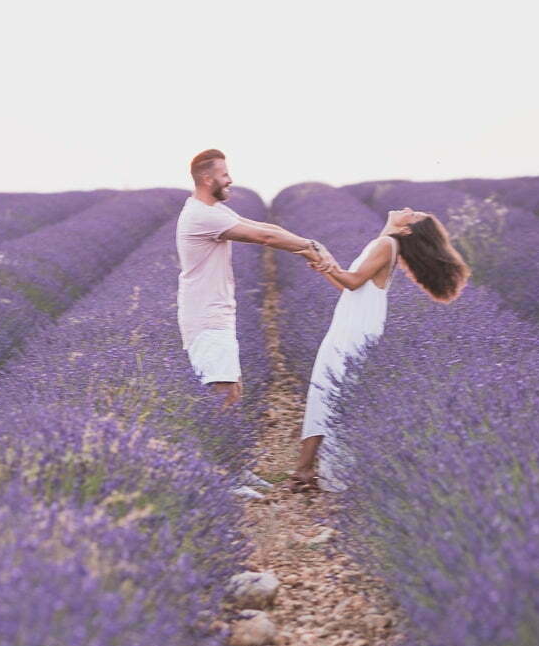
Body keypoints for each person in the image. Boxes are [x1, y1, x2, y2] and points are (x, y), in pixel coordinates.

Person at [290, 207, 470, 493]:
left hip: (353, 329)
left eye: (413, 214)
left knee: (328, 392)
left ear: (407, 229)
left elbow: (353, 280)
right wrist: (325, 268)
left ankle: (310, 472)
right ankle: (308, 470)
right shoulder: (384, 242)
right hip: (354, 324)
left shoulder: (387, 244)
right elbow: (349, 287)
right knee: (330, 393)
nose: (407, 209)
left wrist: (323, 259)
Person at [176, 149, 335, 409]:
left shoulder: (212, 209)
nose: (230, 180)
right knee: (222, 394)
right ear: (207, 179)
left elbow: (267, 228)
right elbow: (264, 239)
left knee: (231, 390)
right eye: (224, 174)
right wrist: (311, 247)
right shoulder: (203, 215)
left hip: (214, 315)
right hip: (206, 319)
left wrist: (310, 247)